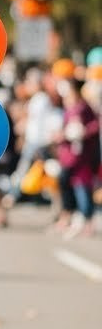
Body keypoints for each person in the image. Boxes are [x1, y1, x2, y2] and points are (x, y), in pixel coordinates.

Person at [52, 78, 100, 237]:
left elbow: (94, 126)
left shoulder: (84, 108)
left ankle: (87, 220)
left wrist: (83, 131)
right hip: (68, 155)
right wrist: (62, 135)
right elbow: (66, 129)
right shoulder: (69, 109)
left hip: (82, 156)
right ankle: (70, 215)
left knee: (82, 187)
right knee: (66, 183)